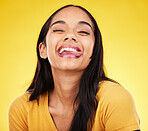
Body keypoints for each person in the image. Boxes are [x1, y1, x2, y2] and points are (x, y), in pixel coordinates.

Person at [8, 4, 140, 131]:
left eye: (83, 32)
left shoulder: (115, 99)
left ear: (94, 51)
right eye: (59, 30)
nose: (70, 36)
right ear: (43, 49)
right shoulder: (21, 109)